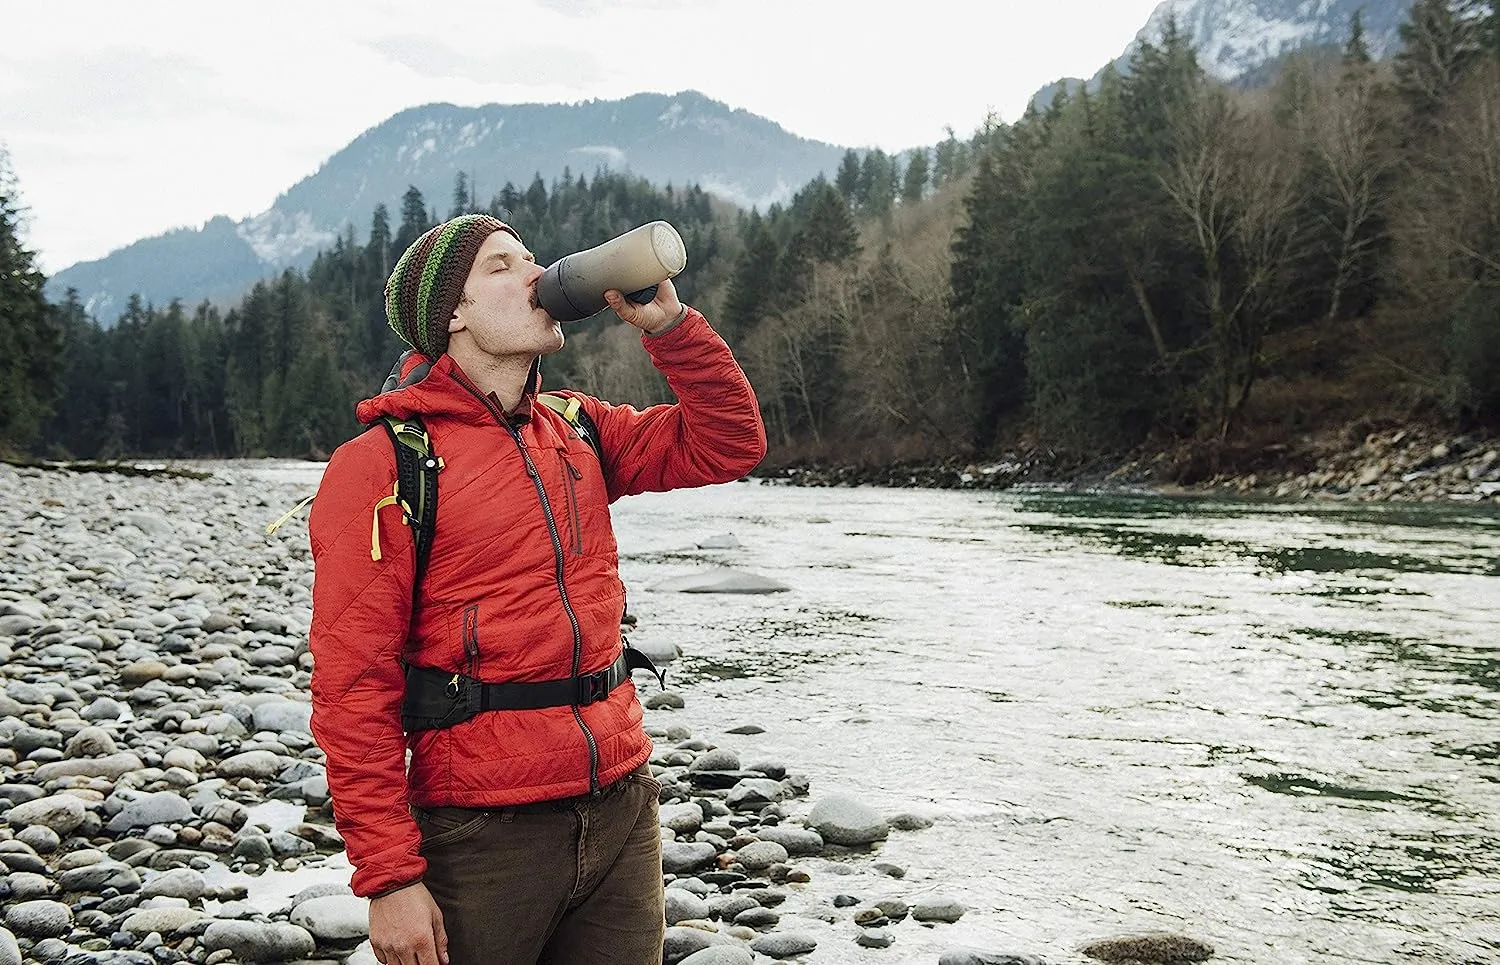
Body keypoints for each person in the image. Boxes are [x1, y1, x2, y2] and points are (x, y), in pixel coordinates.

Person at [307, 213, 767, 965]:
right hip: (483, 834)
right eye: (500, 266)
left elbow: (729, 441)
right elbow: (351, 687)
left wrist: (670, 326)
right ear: (449, 315)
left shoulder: (578, 428)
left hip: (620, 805)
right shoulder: (385, 464)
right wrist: (389, 878)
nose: (534, 274)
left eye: (532, 258)